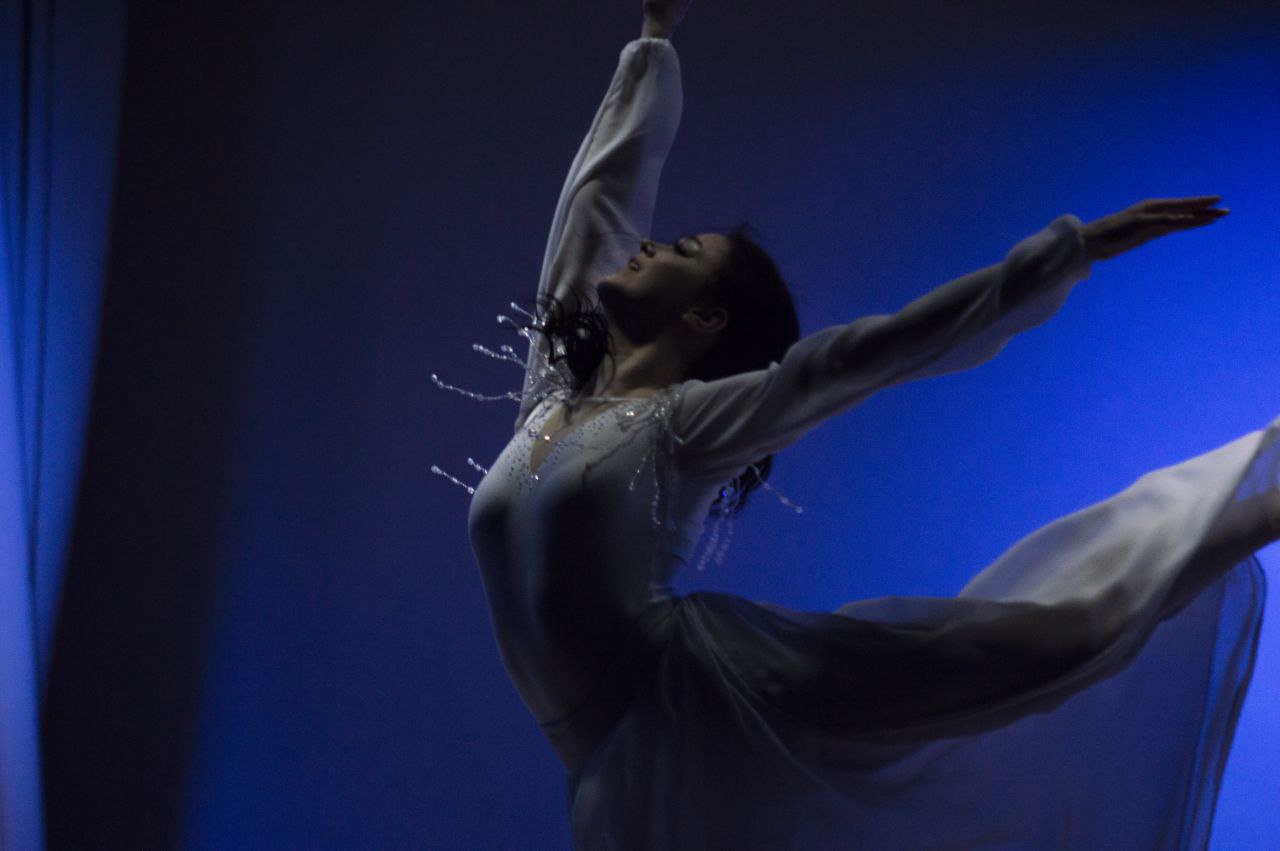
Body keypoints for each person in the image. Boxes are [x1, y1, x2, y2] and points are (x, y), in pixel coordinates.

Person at [453, 1, 1277, 846]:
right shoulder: (554, 392)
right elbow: (595, 207)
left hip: (705, 687)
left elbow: (873, 354)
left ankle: (1261, 489)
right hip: (612, 761)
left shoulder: (684, 424)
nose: (649, 246)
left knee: (1015, 648)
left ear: (703, 319)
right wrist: (653, 42)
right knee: (1000, 657)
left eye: (681, 252)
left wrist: (1069, 252)